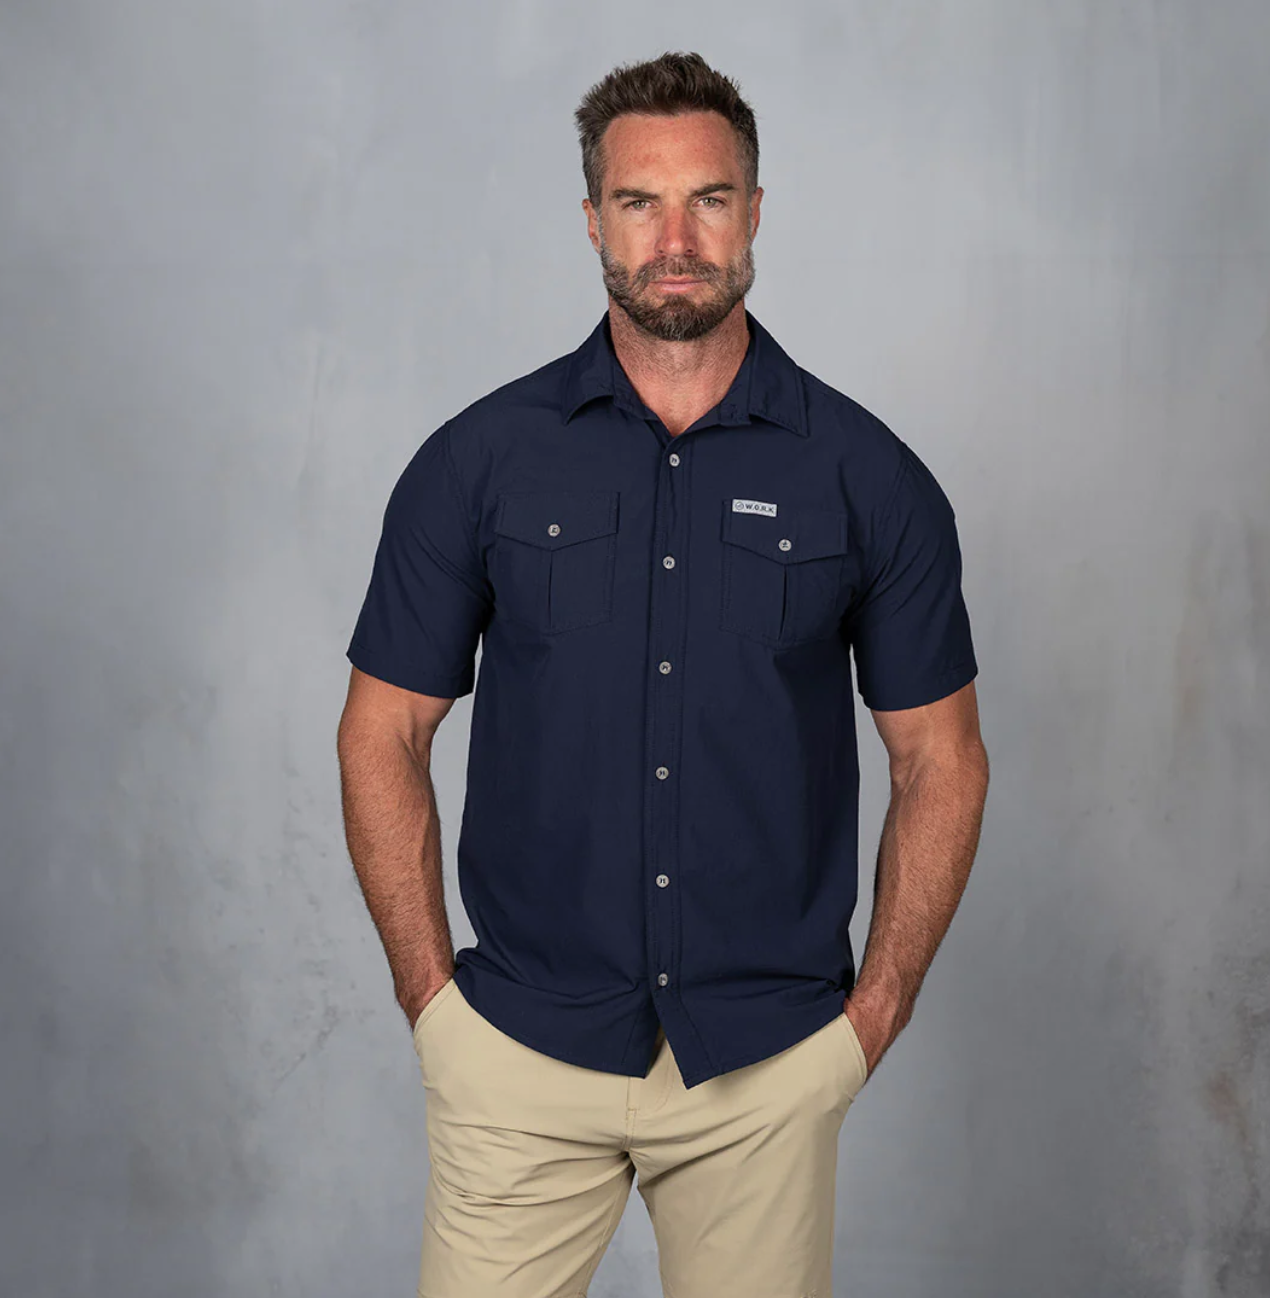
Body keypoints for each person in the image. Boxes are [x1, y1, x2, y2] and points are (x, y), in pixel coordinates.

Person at [337, 48, 990, 1298]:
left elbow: (939, 757)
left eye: (707, 198)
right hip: (520, 1055)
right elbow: (381, 730)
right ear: (592, 218)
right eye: (639, 201)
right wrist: (432, 1003)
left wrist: (870, 1019)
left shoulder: (867, 475)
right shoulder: (478, 460)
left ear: (754, 211)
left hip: (765, 1066)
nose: (674, 239)